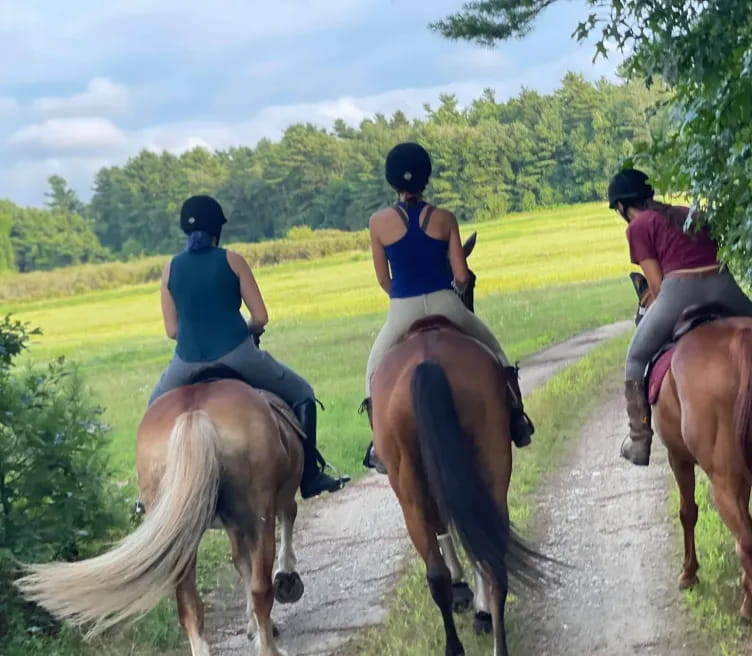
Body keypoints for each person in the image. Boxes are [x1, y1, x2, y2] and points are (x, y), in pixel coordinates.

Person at [148, 195, 346, 498]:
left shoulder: (170, 269)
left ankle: (147, 493)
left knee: (153, 411)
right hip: (237, 355)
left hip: (186, 362)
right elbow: (260, 316)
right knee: (302, 392)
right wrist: (249, 331)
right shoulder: (232, 260)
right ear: (218, 230)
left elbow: (172, 329)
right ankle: (309, 477)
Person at [361, 142, 534, 472]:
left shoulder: (378, 223)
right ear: (426, 178)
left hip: (402, 308)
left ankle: (378, 444)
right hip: (446, 302)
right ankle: (517, 418)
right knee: (496, 355)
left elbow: (383, 278)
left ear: (391, 182)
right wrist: (450, 290)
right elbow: (461, 275)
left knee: (372, 374)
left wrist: (403, 299)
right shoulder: (444, 218)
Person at [608, 168, 752, 466]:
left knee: (636, 359)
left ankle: (639, 440)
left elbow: (655, 284)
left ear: (621, 206)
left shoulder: (639, 226)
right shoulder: (686, 212)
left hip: (681, 291)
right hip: (723, 284)